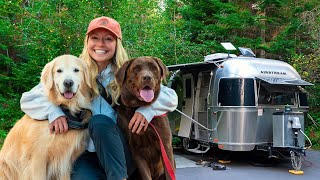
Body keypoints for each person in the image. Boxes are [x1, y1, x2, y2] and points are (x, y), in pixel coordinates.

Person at [20, 16, 178, 180]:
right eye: (95, 38)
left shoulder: (127, 71)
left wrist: (148, 110)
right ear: (87, 42)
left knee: (100, 122)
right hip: (87, 154)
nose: (100, 44)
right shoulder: (75, 70)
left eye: (108, 39)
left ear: (117, 44)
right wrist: (53, 112)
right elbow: (29, 99)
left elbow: (170, 97)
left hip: (121, 152)